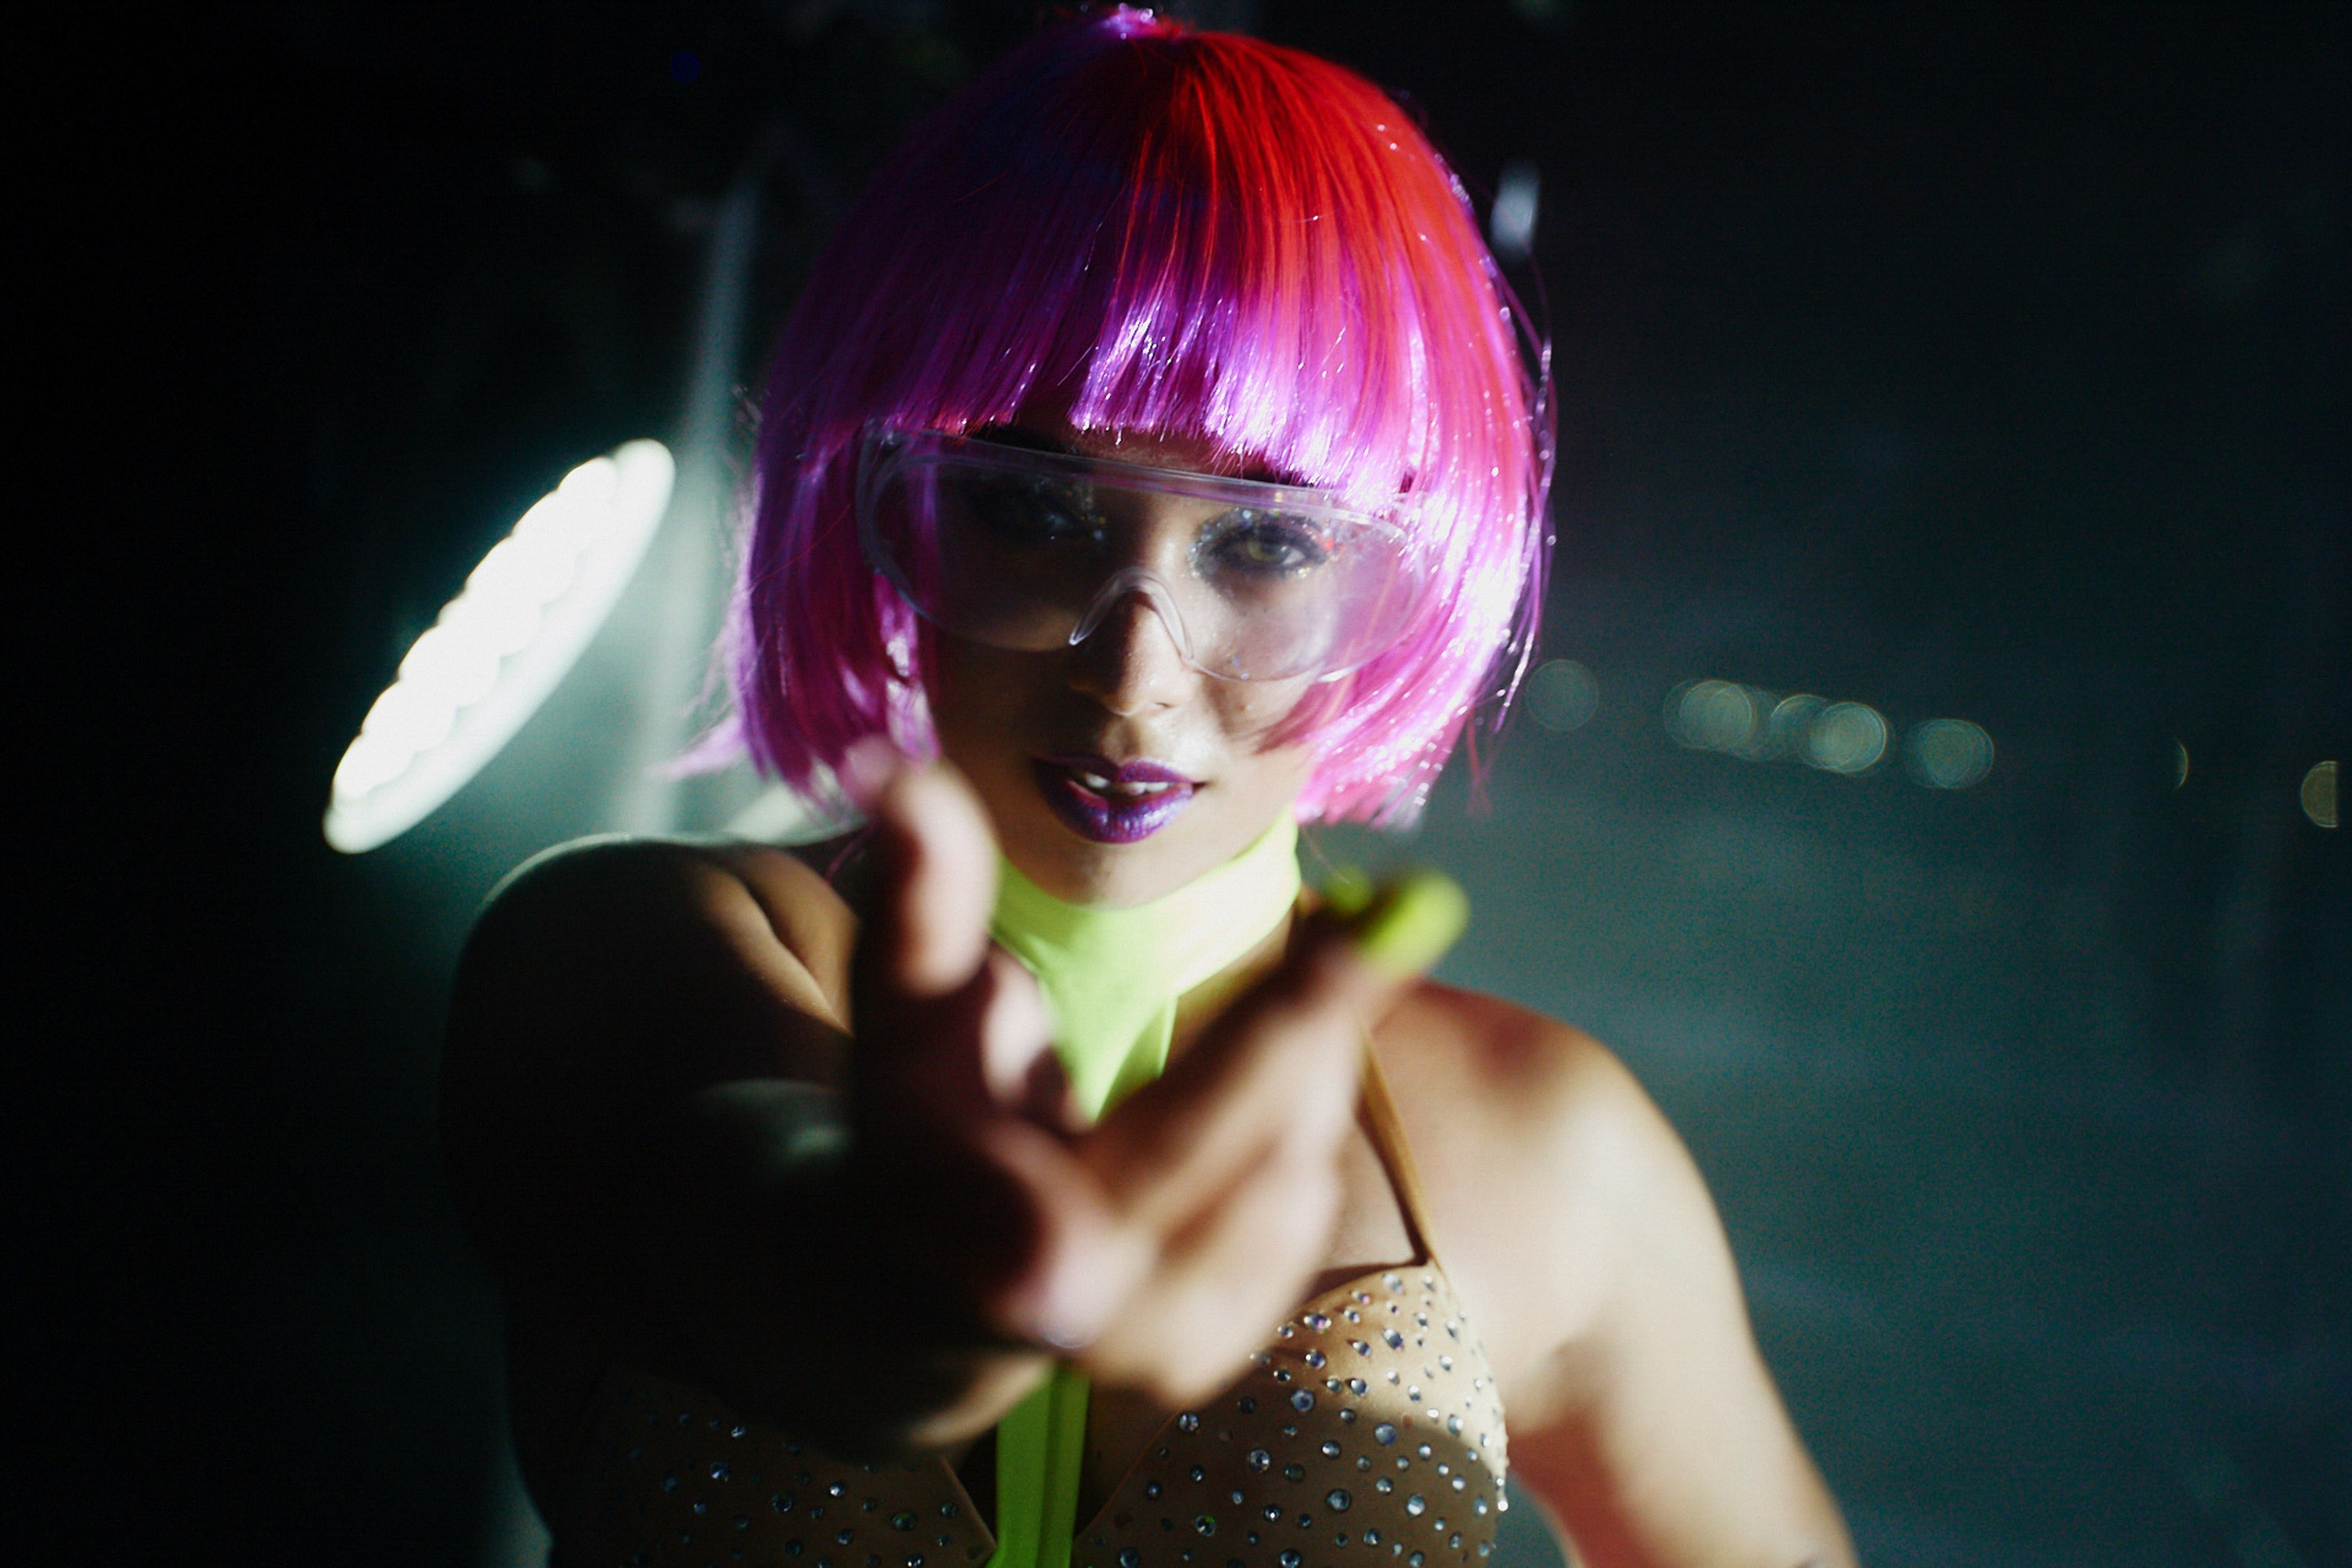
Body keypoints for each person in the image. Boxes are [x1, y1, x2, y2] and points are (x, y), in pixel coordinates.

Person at [441, 10, 1857, 1567]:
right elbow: (781, 1256)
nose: (1131, 673)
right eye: (1034, 511)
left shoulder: (1545, 1149)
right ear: (881, 503)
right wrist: (938, 1291)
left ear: (1416, 565)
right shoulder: (623, 954)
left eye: (1265, 541)